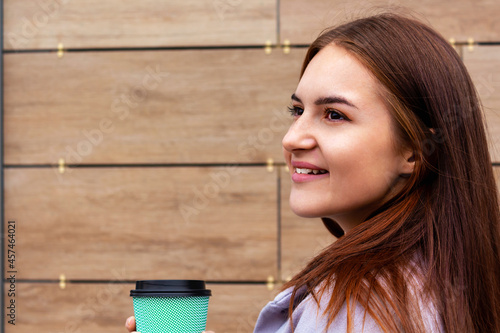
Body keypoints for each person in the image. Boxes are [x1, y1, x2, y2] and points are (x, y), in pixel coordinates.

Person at [126, 12, 500, 333]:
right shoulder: (444, 280)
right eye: (297, 111)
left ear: (415, 152)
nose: (292, 139)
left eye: (334, 115)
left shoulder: (363, 305)